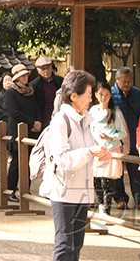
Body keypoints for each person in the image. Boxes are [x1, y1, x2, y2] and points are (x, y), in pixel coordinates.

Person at [42, 69, 111, 261]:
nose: (91, 100)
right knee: (65, 244)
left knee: (76, 245)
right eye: (88, 95)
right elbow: (62, 159)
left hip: (81, 190)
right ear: (74, 96)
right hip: (63, 192)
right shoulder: (60, 121)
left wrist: (99, 152)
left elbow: (86, 151)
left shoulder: (85, 120)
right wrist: (89, 152)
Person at [110, 66, 140, 211]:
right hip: (116, 138)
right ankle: (120, 198)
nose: (127, 84)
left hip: (134, 137)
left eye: (130, 81)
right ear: (117, 79)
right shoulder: (110, 93)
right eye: (124, 81)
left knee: (136, 169)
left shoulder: (138, 94)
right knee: (117, 170)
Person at [89, 80, 127, 216]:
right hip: (96, 149)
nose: (103, 97)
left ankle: (106, 210)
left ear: (110, 95)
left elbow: (123, 132)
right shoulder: (93, 111)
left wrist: (109, 137)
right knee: (96, 181)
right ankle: (101, 205)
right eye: (101, 94)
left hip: (110, 149)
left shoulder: (115, 112)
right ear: (96, 95)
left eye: (106, 94)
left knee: (107, 182)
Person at [5, 63, 41, 202]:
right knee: (17, 162)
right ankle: (10, 190)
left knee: (29, 161)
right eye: (23, 75)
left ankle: (26, 190)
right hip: (17, 130)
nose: (26, 78)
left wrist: (37, 122)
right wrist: (31, 122)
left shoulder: (30, 91)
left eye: (26, 75)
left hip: (31, 131)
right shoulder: (11, 92)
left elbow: (36, 108)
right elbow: (14, 112)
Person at [0, 72, 13, 188]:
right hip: (3, 127)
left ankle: (9, 180)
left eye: (10, 80)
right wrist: (11, 116)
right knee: (1, 154)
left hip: (14, 129)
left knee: (12, 156)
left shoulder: (16, 95)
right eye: (6, 80)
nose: (8, 82)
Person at [31, 56, 64, 128]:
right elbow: (34, 106)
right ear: (38, 70)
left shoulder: (60, 81)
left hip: (60, 117)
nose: (46, 71)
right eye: (43, 69)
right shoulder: (34, 85)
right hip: (44, 120)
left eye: (48, 68)